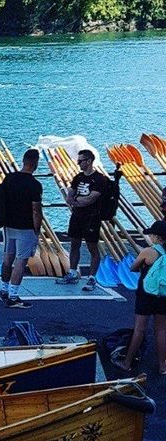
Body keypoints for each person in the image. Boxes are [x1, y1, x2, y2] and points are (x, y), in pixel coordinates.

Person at [112, 220, 166, 375]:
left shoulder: (148, 251)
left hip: (146, 294)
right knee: (161, 330)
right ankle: (163, 366)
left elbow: (133, 267)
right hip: (163, 294)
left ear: (157, 237)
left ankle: (127, 363)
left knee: (140, 329)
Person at [0, 148, 43, 309]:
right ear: (35, 163)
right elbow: (36, 210)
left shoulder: (9, 178)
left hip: (9, 225)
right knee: (21, 261)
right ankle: (13, 296)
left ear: (23, 161)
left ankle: (4, 290)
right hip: (26, 227)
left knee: (8, 259)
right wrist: (37, 229)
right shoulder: (35, 185)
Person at [58, 149, 108, 292]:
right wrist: (75, 200)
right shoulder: (78, 177)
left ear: (89, 161)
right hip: (77, 216)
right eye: (78, 160)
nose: (78, 163)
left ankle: (92, 278)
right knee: (74, 244)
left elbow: (91, 198)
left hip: (92, 217)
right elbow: (70, 195)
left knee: (92, 247)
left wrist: (76, 201)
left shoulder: (99, 179)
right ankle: (73, 272)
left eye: (80, 161)